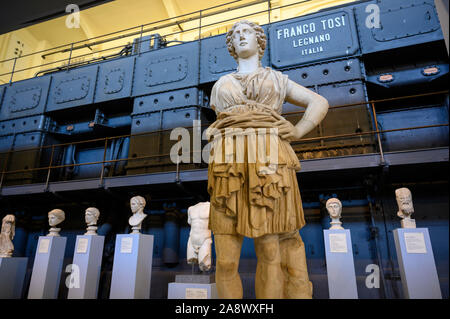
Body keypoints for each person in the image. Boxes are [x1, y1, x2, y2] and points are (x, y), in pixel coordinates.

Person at [207, 20, 329, 298]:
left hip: (270, 161)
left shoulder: (277, 79)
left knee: (271, 251)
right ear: (231, 46)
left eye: (246, 31)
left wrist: (298, 129)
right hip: (229, 163)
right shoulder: (222, 84)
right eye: (235, 34)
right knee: (225, 260)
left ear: (260, 41)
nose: (240, 36)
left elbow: (319, 102)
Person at [187, 202, 212, 272]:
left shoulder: (210, 206)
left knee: (204, 265)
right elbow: (190, 222)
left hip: (205, 239)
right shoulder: (190, 209)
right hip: (192, 239)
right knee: (191, 261)